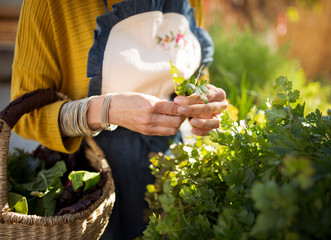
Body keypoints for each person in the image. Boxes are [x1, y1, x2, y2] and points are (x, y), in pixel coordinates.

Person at [11, 0, 228, 239]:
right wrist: (106, 110)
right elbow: (26, 116)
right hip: (91, 183)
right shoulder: (51, 6)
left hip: (169, 166)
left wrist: (201, 101)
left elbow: (194, 70)